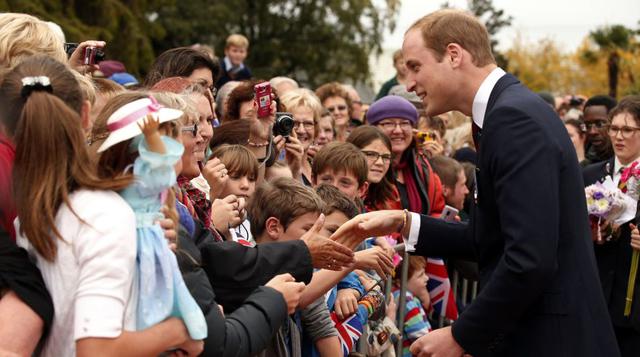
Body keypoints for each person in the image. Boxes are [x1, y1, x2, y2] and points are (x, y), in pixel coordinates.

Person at [331, 9, 619, 357]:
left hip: (551, 338)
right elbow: (489, 236)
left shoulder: (513, 119)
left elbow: (530, 257)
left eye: (415, 67)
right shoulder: (505, 113)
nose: (408, 84)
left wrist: (461, 335)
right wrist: (402, 221)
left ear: (454, 55)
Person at [6, 56, 202, 357]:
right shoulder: (103, 214)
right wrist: (175, 331)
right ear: (86, 115)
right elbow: (96, 348)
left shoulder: (25, 215)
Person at [95, 96, 207, 341]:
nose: (175, 147)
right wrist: (153, 138)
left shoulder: (136, 181)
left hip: (150, 240)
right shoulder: (142, 178)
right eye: (168, 139)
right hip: (140, 243)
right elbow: (161, 169)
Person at [583, 95, 640, 356]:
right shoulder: (591, 175)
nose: (619, 136)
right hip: (596, 297)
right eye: (614, 128)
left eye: (628, 130)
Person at [366, 95, 445, 218]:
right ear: (373, 128)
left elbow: (436, 209)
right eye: (388, 123)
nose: (398, 130)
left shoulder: (423, 167)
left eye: (404, 123)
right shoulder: (365, 167)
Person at [347, 125, 398, 211]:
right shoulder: (338, 189)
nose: (380, 163)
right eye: (370, 154)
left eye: (386, 157)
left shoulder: (391, 195)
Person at [392, 256, 431, 357]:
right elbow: (422, 337)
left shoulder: (397, 295)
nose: (426, 278)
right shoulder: (407, 299)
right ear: (400, 283)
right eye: (420, 275)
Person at [583, 95, 617, 165]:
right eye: (587, 125)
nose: (592, 131)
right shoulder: (584, 168)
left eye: (600, 124)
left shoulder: (633, 165)